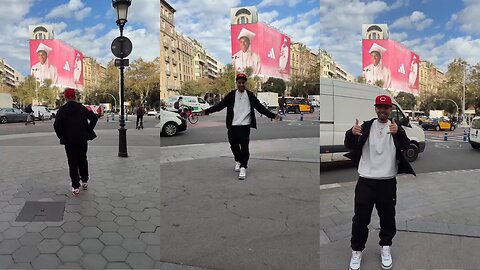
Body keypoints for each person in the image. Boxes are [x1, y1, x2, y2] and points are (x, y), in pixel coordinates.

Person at [344, 95, 415, 270]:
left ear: (390, 110)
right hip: (366, 181)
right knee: (360, 219)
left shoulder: (396, 128)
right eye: (380, 107)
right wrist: (351, 133)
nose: (383, 110)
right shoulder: (367, 126)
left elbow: (406, 147)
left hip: (387, 182)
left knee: (388, 219)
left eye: (386, 108)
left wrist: (398, 132)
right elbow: (349, 144)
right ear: (375, 108)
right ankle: (357, 251)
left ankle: (385, 248)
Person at [201, 73, 280, 180]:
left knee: (244, 147)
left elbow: (260, 107)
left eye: (243, 83)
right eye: (239, 83)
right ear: (236, 83)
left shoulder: (250, 95)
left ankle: (243, 167)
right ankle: (238, 160)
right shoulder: (231, 95)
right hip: (232, 126)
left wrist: (272, 115)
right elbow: (220, 106)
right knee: (233, 145)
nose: (241, 85)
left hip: (245, 126)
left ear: (245, 83)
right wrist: (207, 111)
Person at [53, 88, 98, 197]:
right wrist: (88, 130)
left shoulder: (62, 110)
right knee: (83, 159)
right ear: (75, 96)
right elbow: (94, 118)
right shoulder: (81, 108)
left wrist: (62, 136)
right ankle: (85, 181)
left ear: (65, 97)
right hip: (82, 139)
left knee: (72, 163)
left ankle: (75, 186)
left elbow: (56, 126)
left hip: (69, 141)